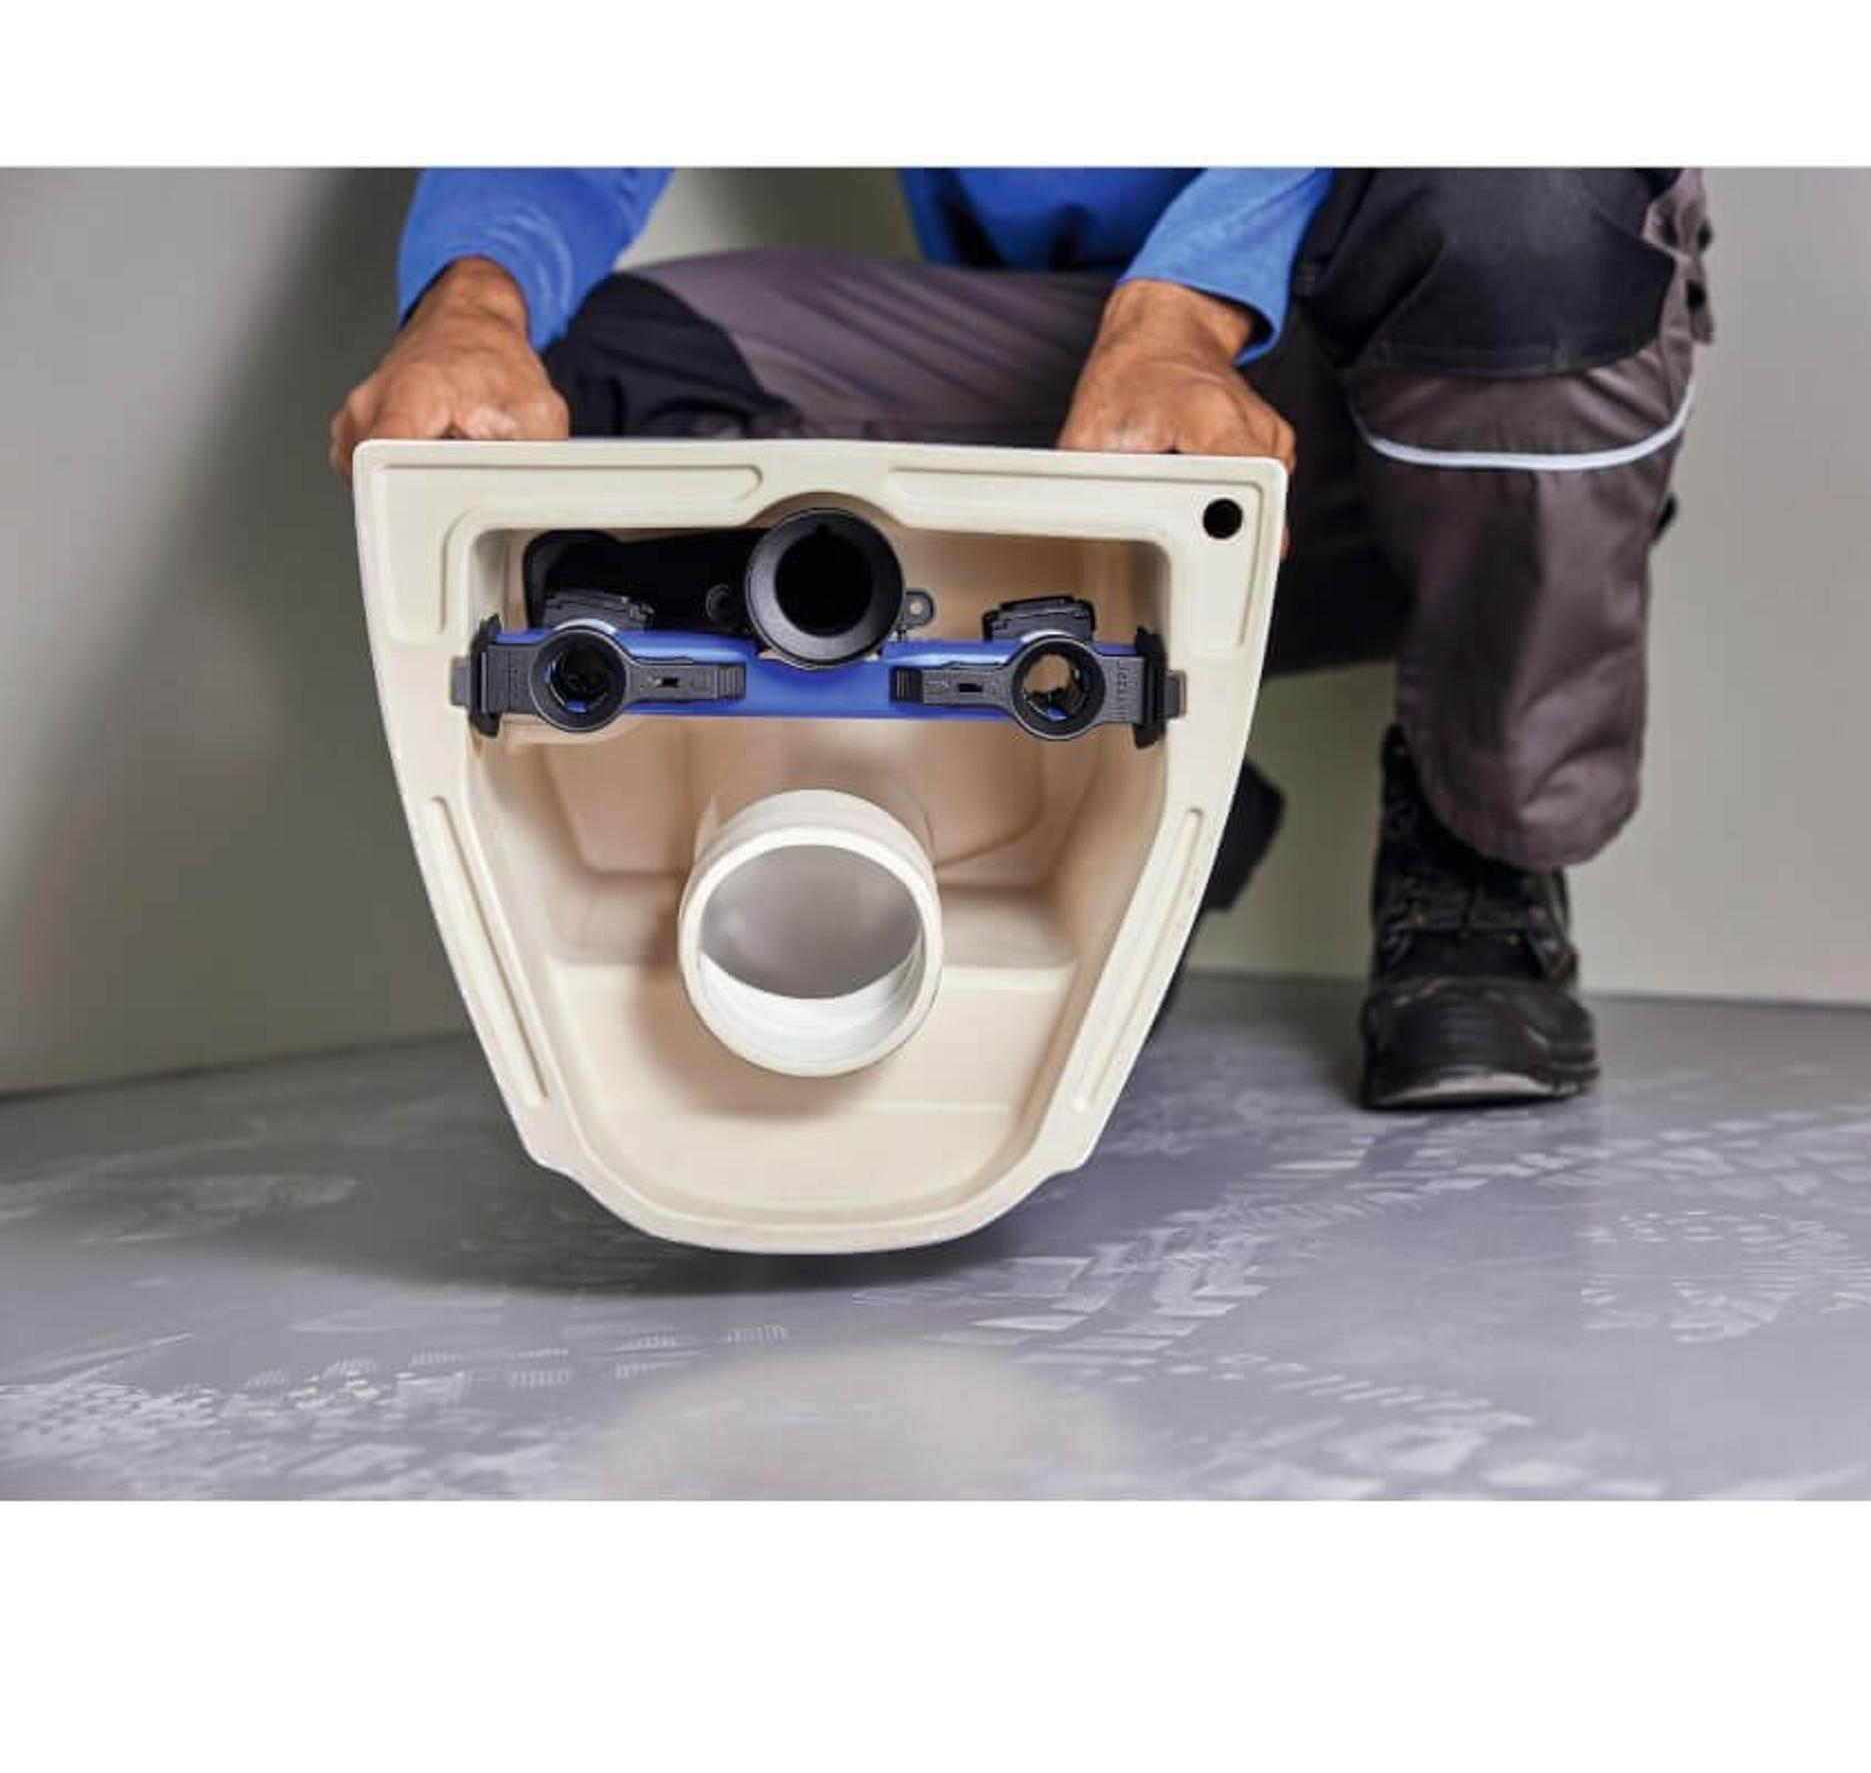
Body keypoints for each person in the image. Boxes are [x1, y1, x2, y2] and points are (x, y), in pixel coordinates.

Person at [334, 168, 1712, 1109]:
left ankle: (1482, 849)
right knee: (585, 393)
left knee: (1527, 197)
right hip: (1084, 358)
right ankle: (1109, 794)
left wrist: (1183, 311)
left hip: (1420, 350)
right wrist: (473, 307)